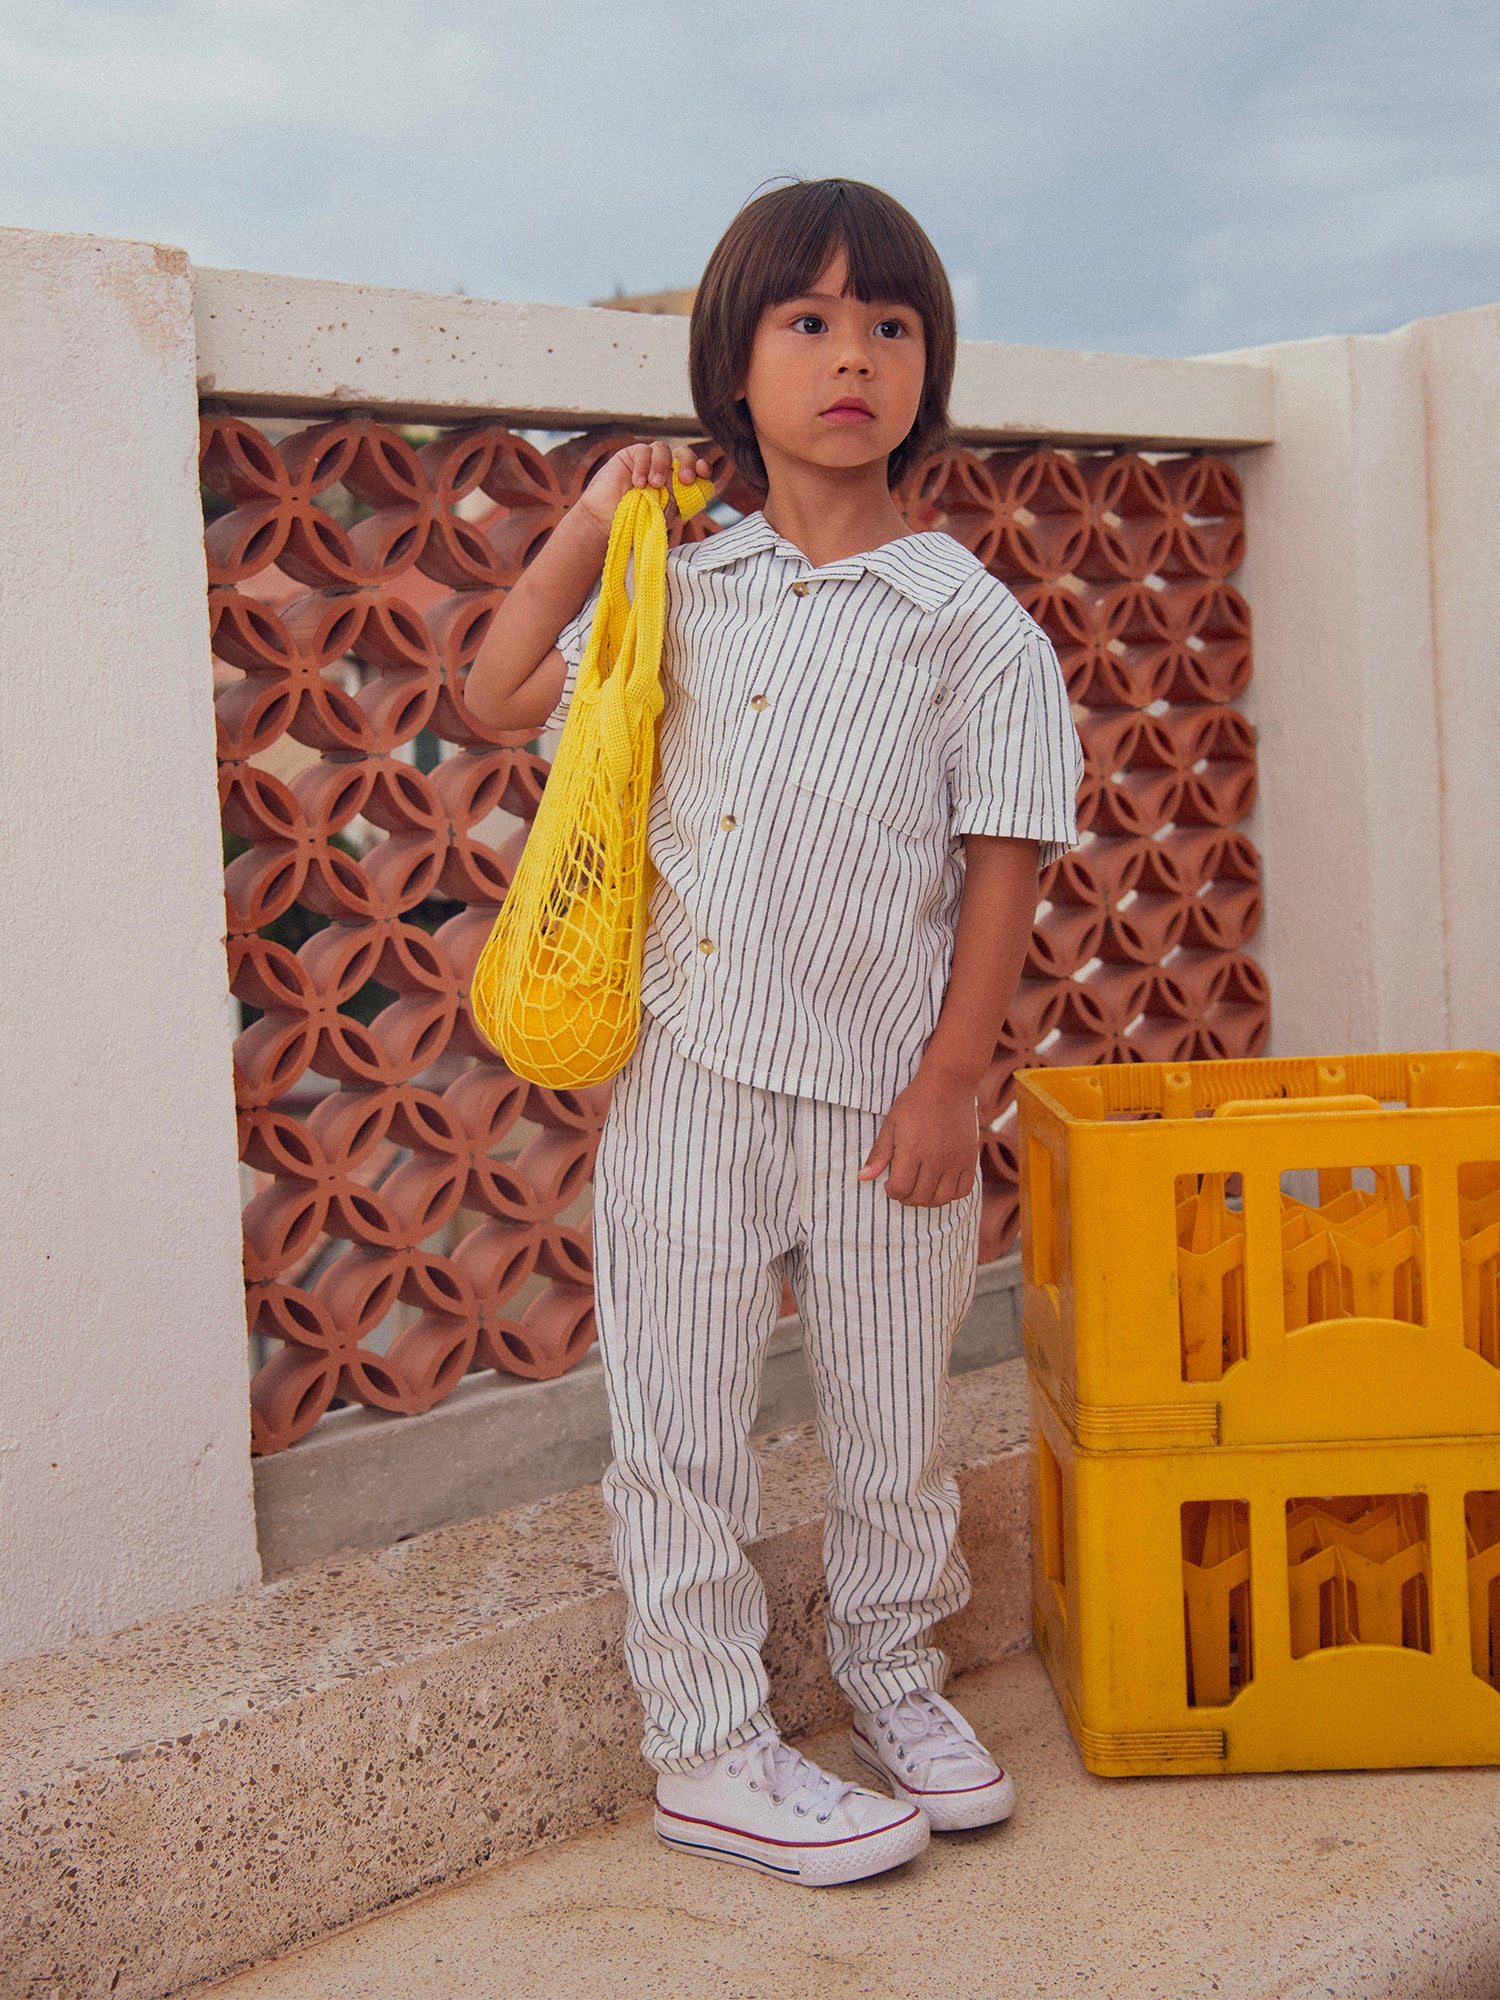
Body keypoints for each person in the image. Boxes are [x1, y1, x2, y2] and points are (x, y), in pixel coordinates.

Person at [465, 176, 1081, 1886]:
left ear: (926, 369)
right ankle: (710, 1744)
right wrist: (589, 527)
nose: (851, 356)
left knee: (894, 1417)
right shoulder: (678, 582)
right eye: (806, 321)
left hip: (890, 1095)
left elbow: (1007, 849)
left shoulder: (962, 618)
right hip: (685, 1078)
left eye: (889, 324)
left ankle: (894, 1675)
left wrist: (957, 1081)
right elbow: (497, 695)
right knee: (677, 1421)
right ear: (732, 367)